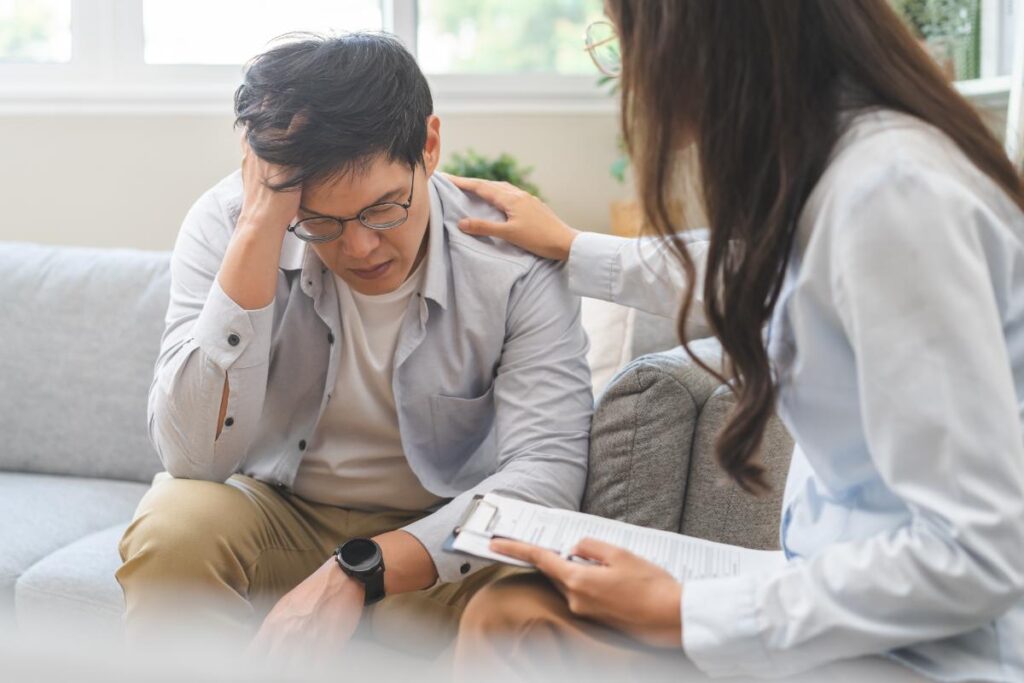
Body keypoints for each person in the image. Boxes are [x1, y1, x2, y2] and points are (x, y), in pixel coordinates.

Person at [449, 1, 1024, 681]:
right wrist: (574, 249)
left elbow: (982, 550)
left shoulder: (889, 194)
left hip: (938, 653)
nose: (628, 72)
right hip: (854, 600)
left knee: (516, 622)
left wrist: (689, 611)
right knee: (526, 598)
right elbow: (748, 269)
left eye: (624, 40)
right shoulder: (841, 170)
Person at [115, 32, 593, 660]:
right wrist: (263, 226)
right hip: (280, 511)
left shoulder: (513, 258)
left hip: (440, 528)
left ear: (429, 145)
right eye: (322, 223)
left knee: (527, 608)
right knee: (173, 522)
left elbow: (549, 473)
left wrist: (366, 569)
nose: (361, 248)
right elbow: (190, 459)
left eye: (384, 209)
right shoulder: (227, 224)